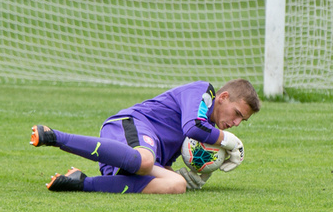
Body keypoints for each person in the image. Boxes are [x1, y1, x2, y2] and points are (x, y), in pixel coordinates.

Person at [29, 79, 260, 194]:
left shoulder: (207, 127)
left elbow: (190, 138)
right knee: (146, 160)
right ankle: (55, 136)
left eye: (243, 121)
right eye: (237, 113)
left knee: (176, 185)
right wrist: (229, 141)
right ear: (223, 97)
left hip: (135, 154)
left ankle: (80, 183)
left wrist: (196, 176)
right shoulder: (203, 92)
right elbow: (192, 126)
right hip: (131, 125)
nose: (236, 123)